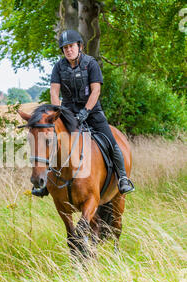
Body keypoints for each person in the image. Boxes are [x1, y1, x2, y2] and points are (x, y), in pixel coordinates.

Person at [32, 30, 134, 197]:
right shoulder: (58, 67)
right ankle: (46, 183)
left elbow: (96, 91)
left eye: (71, 46)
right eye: (65, 48)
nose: (68, 50)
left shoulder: (90, 64)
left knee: (110, 141)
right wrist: (58, 115)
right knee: (52, 142)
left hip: (92, 112)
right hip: (67, 112)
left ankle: (122, 178)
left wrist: (86, 111)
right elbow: (54, 93)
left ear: (79, 46)